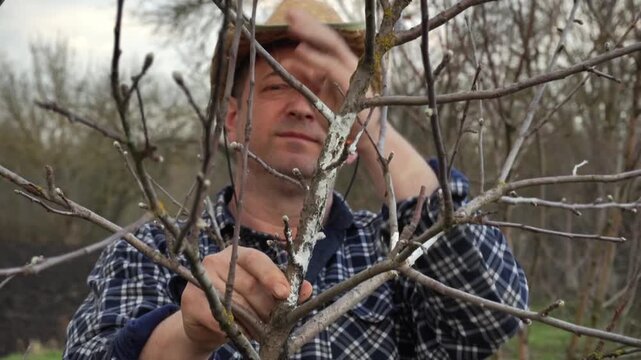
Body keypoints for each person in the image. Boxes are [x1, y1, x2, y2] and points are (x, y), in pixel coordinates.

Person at [64, 0, 528, 358]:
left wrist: (368, 120)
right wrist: (187, 334)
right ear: (230, 120)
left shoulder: (391, 256)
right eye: (277, 86)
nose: (304, 104)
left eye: (330, 92)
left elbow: (493, 311)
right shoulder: (158, 248)